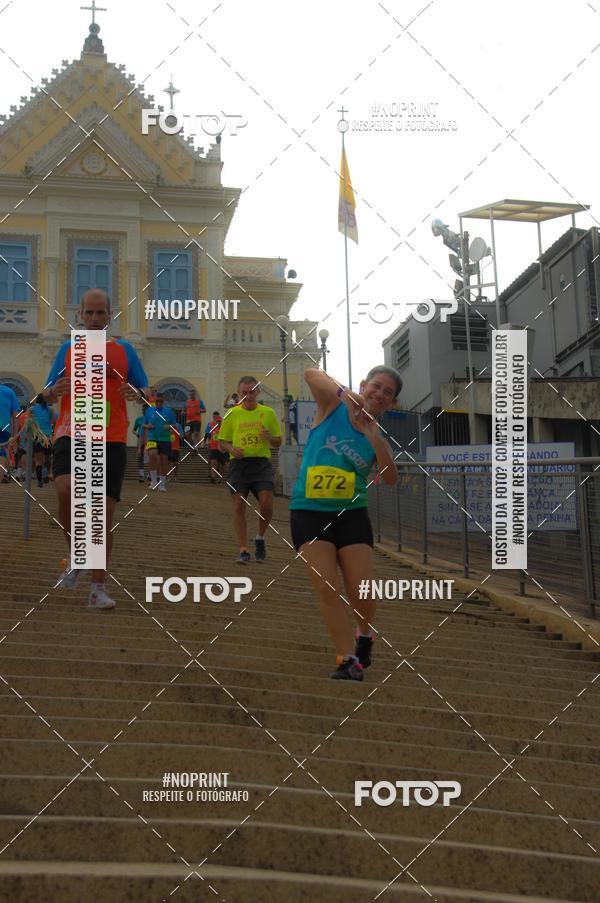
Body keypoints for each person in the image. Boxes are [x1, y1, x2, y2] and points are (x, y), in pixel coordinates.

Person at [289, 366, 401, 681]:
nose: (378, 394)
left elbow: (391, 479)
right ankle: (348, 658)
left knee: (360, 589)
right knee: (327, 586)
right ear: (364, 385)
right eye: (375, 386)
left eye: (387, 393)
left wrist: (374, 438)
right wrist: (345, 394)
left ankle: (365, 633)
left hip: (352, 515)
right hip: (309, 511)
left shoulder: (378, 438)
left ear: (390, 404)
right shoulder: (333, 406)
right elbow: (310, 372)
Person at [42, 288, 148, 610]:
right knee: (65, 488)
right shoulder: (67, 349)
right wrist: (52, 391)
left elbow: (145, 389)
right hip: (71, 430)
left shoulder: (125, 351)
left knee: (103, 514)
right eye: (88, 313)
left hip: (111, 436)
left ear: (110, 315)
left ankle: (97, 589)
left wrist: (137, 392)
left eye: (100, 313)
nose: (94, 318)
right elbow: (47, 392)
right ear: (80, 315)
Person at [218, 377, 282, 563]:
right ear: (238, 394)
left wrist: (269, 437)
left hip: (261, 464)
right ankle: (244, 549)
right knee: (239, 505)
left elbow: (278, 441)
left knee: (266, 503)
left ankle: (260, 537)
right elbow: (222, 441)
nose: (248, 396)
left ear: (257, 392)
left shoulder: (268, 413)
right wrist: (232, 449)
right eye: (244, 393)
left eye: (251, 392)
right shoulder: (232, 414)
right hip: (239, 465)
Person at [142, 393, 181, 491]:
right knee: (152, 455)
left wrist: (170, 426)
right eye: (157, 401)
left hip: (165, 439)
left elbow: (175, 424)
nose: (159, 403)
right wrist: (148, 426)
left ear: (164, 401)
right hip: (152, 438)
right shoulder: (149, 410)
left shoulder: (169, 411)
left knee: (164, 461)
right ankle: (153, 482)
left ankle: (162, 485)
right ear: (155, 401)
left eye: (161, 401)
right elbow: (143, 425)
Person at [30, 395, 54, 488]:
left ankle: (40, 480)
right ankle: (48, 473)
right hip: (48, 436)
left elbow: (29, 423)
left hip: (37, 436)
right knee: (48, 457)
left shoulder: (32, 409)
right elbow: (52, 422)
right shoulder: (51, 409)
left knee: (38, 461)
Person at [0, 382, 20, 484]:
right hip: (4, 427)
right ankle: (4, 474)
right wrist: (14, 435)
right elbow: (15, 415)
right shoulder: (9, 391)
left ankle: (4, 474)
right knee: (2, 451)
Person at [204, 411, 225, 483]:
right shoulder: (211, 427)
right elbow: (208, 435)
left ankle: (221, 478)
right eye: (217, 421)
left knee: (222, 464)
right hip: (213, 448)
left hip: (222, 449)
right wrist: (206, 443)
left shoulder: (224, 429)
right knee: (213, 462)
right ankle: (213, 477)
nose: (218, 423)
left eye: (219, 421)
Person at [133, 411, 146, 482]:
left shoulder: (152, 418)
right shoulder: (139, 419)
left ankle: (150, 476)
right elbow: (133, 430)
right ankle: (141, 475)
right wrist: (136, 434)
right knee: (140, 457)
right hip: (141, 440)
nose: (143, 410)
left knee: (151, 457)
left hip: (150, 439)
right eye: (143, 409)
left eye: (145, 409)